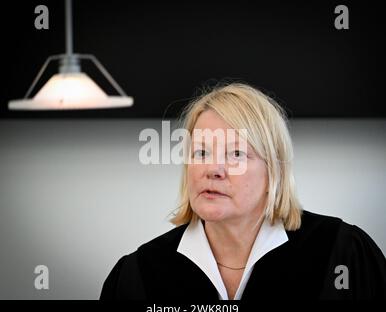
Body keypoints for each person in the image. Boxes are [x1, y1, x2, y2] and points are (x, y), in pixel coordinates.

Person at [100, 82, 386, 300]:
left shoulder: (342, 254)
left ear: (274, 170)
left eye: (236, 153)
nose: (213, 169)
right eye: (200, 152)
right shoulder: (139, 273)